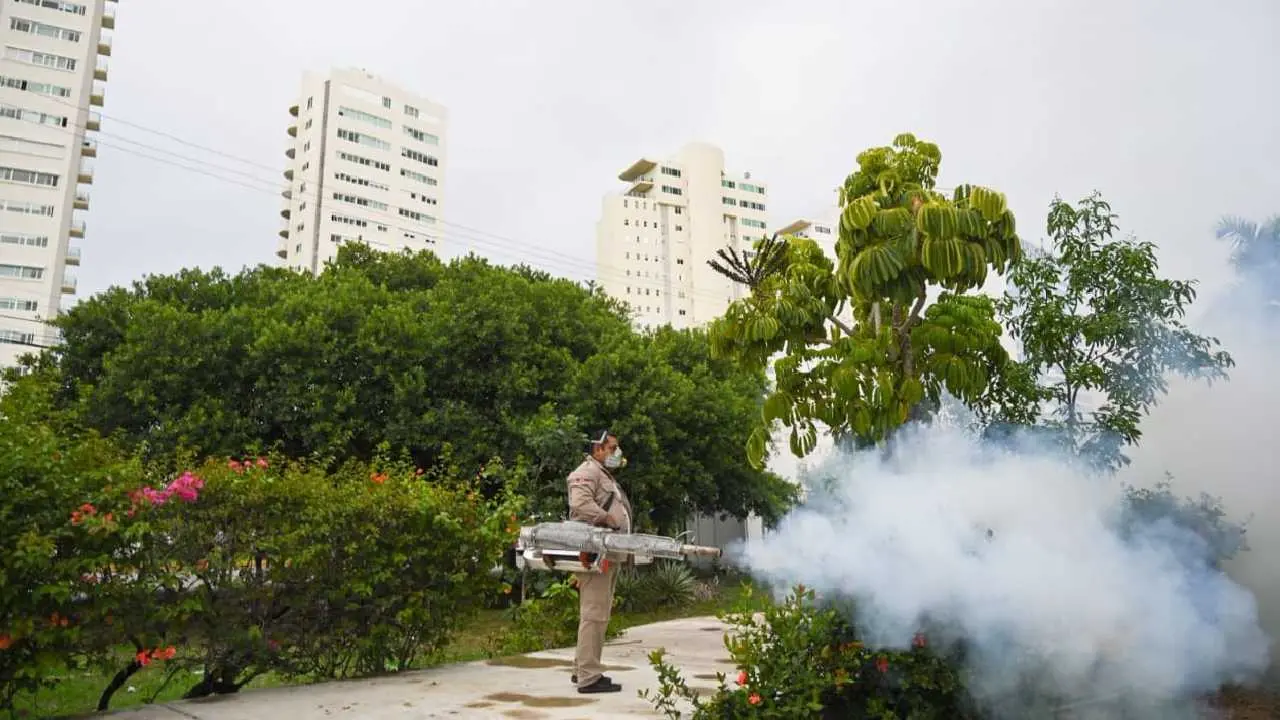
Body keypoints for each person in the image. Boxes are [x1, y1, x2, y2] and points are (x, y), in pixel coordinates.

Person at [566, 429, 632, 694]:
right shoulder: (587, 471)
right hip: (595, 554)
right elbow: (580, 504)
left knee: (597, 614)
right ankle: (589, 677)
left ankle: (582, 669)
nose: (617, 453)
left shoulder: (603, 474)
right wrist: (608, 518)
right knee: (594, 615)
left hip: (607, 553)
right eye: (613, 448)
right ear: (598, 449)